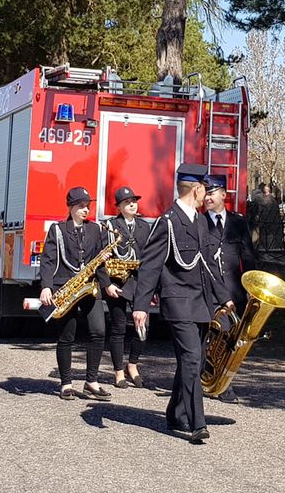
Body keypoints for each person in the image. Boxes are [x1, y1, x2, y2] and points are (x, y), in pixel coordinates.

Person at [133, 163, 230, 443]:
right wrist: (140, 306)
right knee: (189, 360)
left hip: (200, 303)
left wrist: (225, 299)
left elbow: (210, 264)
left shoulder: (200, 221)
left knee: (196, 364)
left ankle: (175, 412)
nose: (206, 195)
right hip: (177, 302)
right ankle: (196, 422)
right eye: (204, 189)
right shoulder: (168, 222)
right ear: (196, 189)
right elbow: (150, 265)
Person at [39, 186, 113, 400]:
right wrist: (46, 286)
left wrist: (106, 284)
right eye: (81, 206)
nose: (85, 210)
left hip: (89, 288)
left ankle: (92, 381)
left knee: (98, 331)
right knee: (67, 336)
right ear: (70, 207)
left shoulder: (95, 229)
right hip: (66, 286)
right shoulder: (58, 229)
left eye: (87, 206)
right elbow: (48, 260)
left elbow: (98, 264)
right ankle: (66, 383)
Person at [203, 175, 259, 404]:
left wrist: (252, 288)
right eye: (205, 193)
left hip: (234, 290)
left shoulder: (238, 222)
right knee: (211, 337)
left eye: (212, 192)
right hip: (209, 290)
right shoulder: (199, 222)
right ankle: (209, 380)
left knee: (231, 339)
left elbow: (247, 256)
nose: (207, 197)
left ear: (223, 195)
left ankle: (222, 381)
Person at [104, 185, 150, 389]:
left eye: (134, 201)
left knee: (143, 328)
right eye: (126, 202)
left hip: (139, 282)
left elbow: (151, 259)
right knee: (118, 328)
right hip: (117, 283)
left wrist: (152, 286)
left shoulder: (144, 227)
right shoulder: (111, 226)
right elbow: (102, 259)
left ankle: (133, 365)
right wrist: (107, 284)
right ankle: (118, 372)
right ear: (119, 207)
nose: (132, 204)